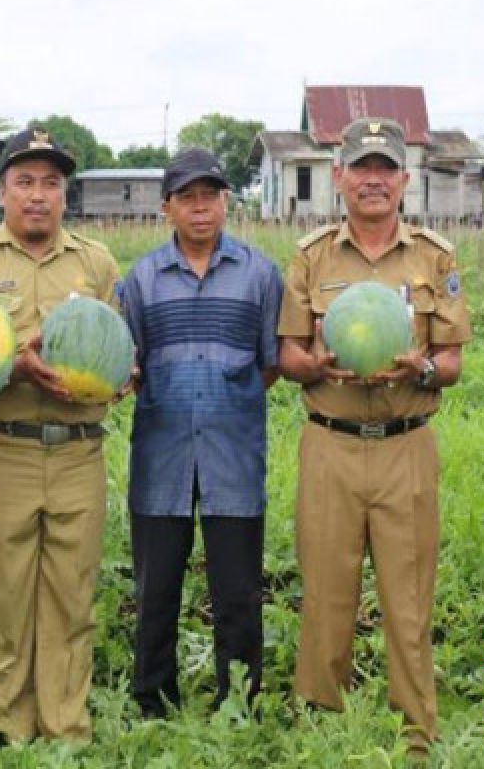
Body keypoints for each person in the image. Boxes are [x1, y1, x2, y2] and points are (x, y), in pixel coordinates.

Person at [277, 118, 470, 758]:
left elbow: (451, 363)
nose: (373, 180)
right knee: (326, 596)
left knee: (408, 599)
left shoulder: (433, 257)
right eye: (361, 167)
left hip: (405, 444)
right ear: (340, 178)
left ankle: (416, 733)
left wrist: (418, 365)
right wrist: (316, 365)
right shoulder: (311, 256)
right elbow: (289, 355)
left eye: (385, 168)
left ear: (404, 180)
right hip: (330, 442)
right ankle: (321, 727)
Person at [0, 128, 121, 742]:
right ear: (2, 192)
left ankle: (66, 728)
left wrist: (115, 378)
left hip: (78, 452)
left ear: (64, 194)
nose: (38, 195)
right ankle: (10, 726)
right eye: (25, 182)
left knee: (73, 598)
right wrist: (16, 362)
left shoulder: (95, 262)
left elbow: (116, 350)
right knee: (10, 595)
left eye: (51, 183)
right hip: (6, 447)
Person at [119, 148, 282, 717]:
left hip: (233, 454)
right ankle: (151, 701)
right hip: (160, 456)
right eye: (187, 197)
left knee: (238, 592)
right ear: (167, 207)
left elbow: (271, 363)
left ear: (225, 202)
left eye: (210, 195)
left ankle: (238, 702)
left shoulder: (260, 274)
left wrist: (221, 396)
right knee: (156, 590)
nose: (200, 208)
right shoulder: (140, 280)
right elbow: (128, 365)